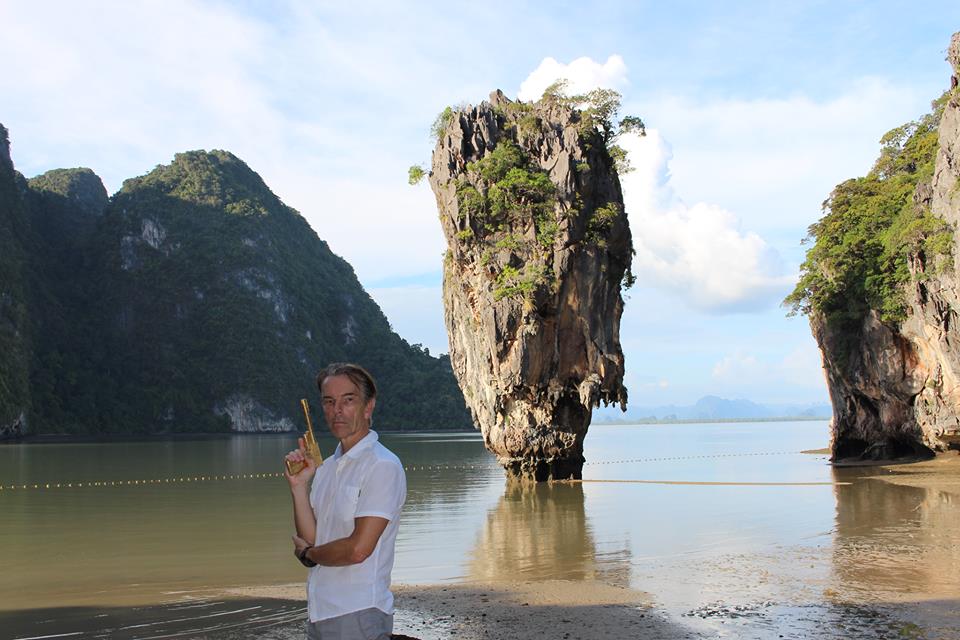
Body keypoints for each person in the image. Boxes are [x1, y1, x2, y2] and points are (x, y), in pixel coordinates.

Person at [285, 363, 407, 640]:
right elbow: (313, 538)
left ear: (368, 407)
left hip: (358, 612)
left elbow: (358, 550)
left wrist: (309, 555)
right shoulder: (327, 467)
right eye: (329, 402)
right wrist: (299, 487)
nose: (337, 410)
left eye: (348, 400)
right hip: (320, 612)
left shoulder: (382, 465)